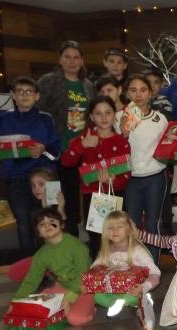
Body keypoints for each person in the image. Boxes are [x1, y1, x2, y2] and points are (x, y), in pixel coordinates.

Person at [0, 76, 59, 257]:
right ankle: (31, 267)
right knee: (24, 224)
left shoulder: (46, 118)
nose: (24, 95)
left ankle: (55, 264)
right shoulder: (3, 119)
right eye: (20, 92)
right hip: (16, 178)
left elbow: (57, 150)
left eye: (29, 92)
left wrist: (43, 149)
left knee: (49, 221)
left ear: (37, 96)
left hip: (45, 178)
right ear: (12, 95)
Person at [61, 96, 131, 258]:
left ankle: (119, 276)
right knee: (96, 240)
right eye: (98, 113)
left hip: (115, 195)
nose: (104, 117)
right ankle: (98, 277)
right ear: (91, 117)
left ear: (115, 115)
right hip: (92, 197)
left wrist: (113, 180)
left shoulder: (121, 142)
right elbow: (66, 161)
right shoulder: (84, 139)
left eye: (108, 112)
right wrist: (82, 145)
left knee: (119, 239)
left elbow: (126, 175)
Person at [37, 40, 94, 236]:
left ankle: (76, 242)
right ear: (60, 59)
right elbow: (40, 115)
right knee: (54, 200)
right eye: (67, 57)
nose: (72, 61)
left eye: (76, 57)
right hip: (55, 152)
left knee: (75, 200)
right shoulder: (48, 82)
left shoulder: (87, 85)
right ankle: (55, 243)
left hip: (82, 151)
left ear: (82, 60)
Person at [116, 74, 169, 262]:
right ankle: (135, 264)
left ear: (150, 93)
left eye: (143, 90)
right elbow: (114, 150)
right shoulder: (118, 118)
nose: (138, 94)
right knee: (132, 223)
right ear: (126, 93)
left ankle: (154, 265)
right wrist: (123, 132)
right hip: (131, 178)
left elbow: (167, 148)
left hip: (155, 176)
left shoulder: (160, 119)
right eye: (133, 90)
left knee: (154, 222)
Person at [10, 208, 92, 326]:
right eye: (42, 224)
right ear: (38, 232)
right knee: (39, 309)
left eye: (51, 221)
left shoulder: (77, 246)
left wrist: (69, 298)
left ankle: (89, 308)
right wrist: (16, 302)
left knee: (75, 319)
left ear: (61, 224)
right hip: (63, 286)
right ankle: (62, 300)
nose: (47, 225)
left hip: (85, 286)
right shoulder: (42, 254)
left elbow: (83, 274)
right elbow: (31, 281)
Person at [90, 211, 161, 317]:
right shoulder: (106, 251)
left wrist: (143, 287)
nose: (114, 230)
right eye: (110, 228)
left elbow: (155, 273)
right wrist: (90, 282)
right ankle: (119, 302)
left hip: (134, 290)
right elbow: (94, 268)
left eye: (119, 227)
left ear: (129, 230)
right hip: (113, 290)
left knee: (129, 297)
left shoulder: (138, 251)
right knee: (95, 296)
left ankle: (141, 301)